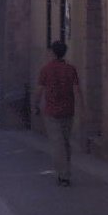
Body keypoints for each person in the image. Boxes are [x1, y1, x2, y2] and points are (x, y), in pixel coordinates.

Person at [33, 41, 84, 186]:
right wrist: (82, 108)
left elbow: (39, 90)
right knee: (66, 142)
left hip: (51, 111)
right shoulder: (71, 69)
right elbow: (77, 89)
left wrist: (36, 105)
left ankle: (63, 174)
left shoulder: (46, 69)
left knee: (58, 144)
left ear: (53, 53)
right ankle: (66, 170)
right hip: (69, 110)